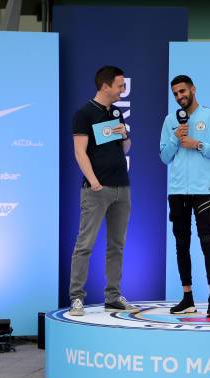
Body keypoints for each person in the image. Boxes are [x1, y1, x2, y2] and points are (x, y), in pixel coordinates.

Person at [68, 66, 139, 316]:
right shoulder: (84, 114)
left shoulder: (116, 112)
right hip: (97, 189)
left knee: (116, 245)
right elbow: (80, 152)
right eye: (120, 85)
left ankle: (113, 296)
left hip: (123, 187)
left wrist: (125, 134)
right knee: (85, 244)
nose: (123, 89)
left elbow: (125, 149)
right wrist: (94, 181)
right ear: (105, 86)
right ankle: (77, 297)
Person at [159, 75, 210, 317]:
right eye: (175, 94)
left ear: (193, 89)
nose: (179, 96)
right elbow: (164, 157)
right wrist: (175, 138)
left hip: (203, 191)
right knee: (181, 244)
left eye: (182, 91)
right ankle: (187, 298)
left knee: (207, 241)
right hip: (177, 191)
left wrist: (198, 144)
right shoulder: (170, 121)